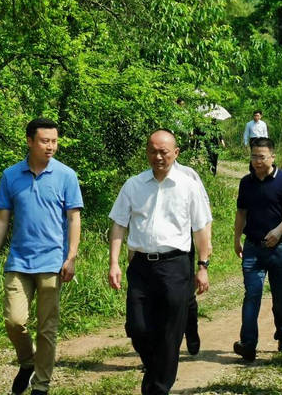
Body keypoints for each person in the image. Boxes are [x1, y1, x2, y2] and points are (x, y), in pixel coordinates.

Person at [0, 118, 83, 395]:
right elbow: (2, 219)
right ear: (29, 141)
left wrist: (71, 256)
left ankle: (41, 385)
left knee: (47, 328)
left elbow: (74, 218)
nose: (51, 147)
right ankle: (27, 362)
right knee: (14, 322)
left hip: (52, 262)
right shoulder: (11, 175)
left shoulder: (66, 176)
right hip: (19, 262)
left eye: (54, 141)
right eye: (45, 141)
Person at [108, 130, 212, 395]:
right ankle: (156, 369)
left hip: (175, 265)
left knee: (169, 331)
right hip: (140, 266)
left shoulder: (188, 185)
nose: (158, 157)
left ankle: (157, 388)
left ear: (175, 153)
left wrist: (202, 266)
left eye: (163, 152)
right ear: (147, 152)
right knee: (137, 327)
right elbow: (119, 224)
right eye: (153, 151)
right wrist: (114, 263)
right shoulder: (134, 185)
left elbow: (201, 228)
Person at [233, 137, 282, 362]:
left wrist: (279, 230)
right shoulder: (246, 182)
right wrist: (237, 238)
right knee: (251, 295)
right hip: (253, 248)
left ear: (272, 157)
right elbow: (241, 212)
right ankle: (248, 344)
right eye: (254, 156)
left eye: (261, 157)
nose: (257, 161)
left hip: (280, 249)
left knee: (281, 297)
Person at [173, 160, 213, 356]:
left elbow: (204, 211)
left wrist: (207, 240)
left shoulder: (188, 175)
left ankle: (191, 329)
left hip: (186, 241)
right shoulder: (147, 178)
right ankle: (163, 349)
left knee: (187, 293)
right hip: (160, 245)